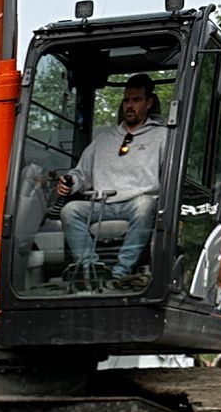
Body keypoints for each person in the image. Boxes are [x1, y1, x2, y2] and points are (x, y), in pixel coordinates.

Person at [52, 75, 169, 287]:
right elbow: (81, 174)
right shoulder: (104, 139)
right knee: (70, 211)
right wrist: (70, 182)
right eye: (126, 101)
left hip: (137, 203)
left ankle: (120, 272)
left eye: (136, 100)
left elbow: (170, 176)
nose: (130, 106)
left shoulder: (162, 136)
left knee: (145, 205)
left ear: (149, 102)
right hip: (101, 204)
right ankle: (91, 269)